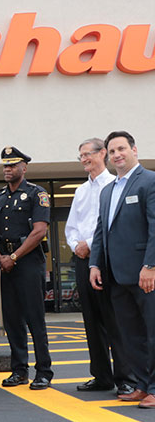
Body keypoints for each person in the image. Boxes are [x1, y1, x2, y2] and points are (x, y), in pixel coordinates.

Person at [89, 131, 155, 407]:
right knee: (130, 335)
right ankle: (142, 384)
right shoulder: (108, 190)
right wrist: (94, 263)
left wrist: (150, 265)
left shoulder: (149, 181)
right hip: (116, 276)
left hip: (145, 275)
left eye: (121, 149)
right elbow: (101, 231)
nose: (117, 154)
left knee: (152, 332)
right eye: (112, 151)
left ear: (134, 150)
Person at [65, 139, 135, 396]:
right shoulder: (81, 190)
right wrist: (76, 246)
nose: (84, 159)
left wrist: (91, 245)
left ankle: (126, 378)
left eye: (87, 154)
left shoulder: (114, 185)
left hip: (108, 260)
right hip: (83, 261)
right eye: (80, 155)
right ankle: (101, 376)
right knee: (92, 322)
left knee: (115, 320)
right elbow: (70, 226)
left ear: (102, 154)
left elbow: (112, 226)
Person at [0, 146, 53, 390]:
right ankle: (19, 370)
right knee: (12, 320)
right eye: (5, 165)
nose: (8, 169)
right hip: (6, 264)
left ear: (24, 168)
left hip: (28, 262)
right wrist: (1, 257)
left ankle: (43, 371)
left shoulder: (37, 193)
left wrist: (13, 256)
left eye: (12, 165)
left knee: (35, 319)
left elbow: (39, 231)